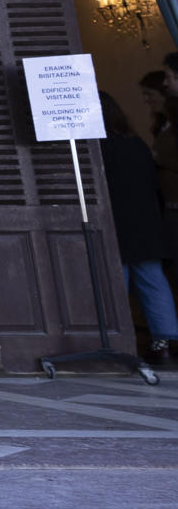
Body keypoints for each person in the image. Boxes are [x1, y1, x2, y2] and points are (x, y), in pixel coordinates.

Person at [101, 91, 178, 365]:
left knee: (114, 282)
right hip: (146, 223)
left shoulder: (98, 148)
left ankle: (119, 343)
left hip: (116, 224)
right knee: (153, 280)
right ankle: (165, 344)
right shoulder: (137, 144)